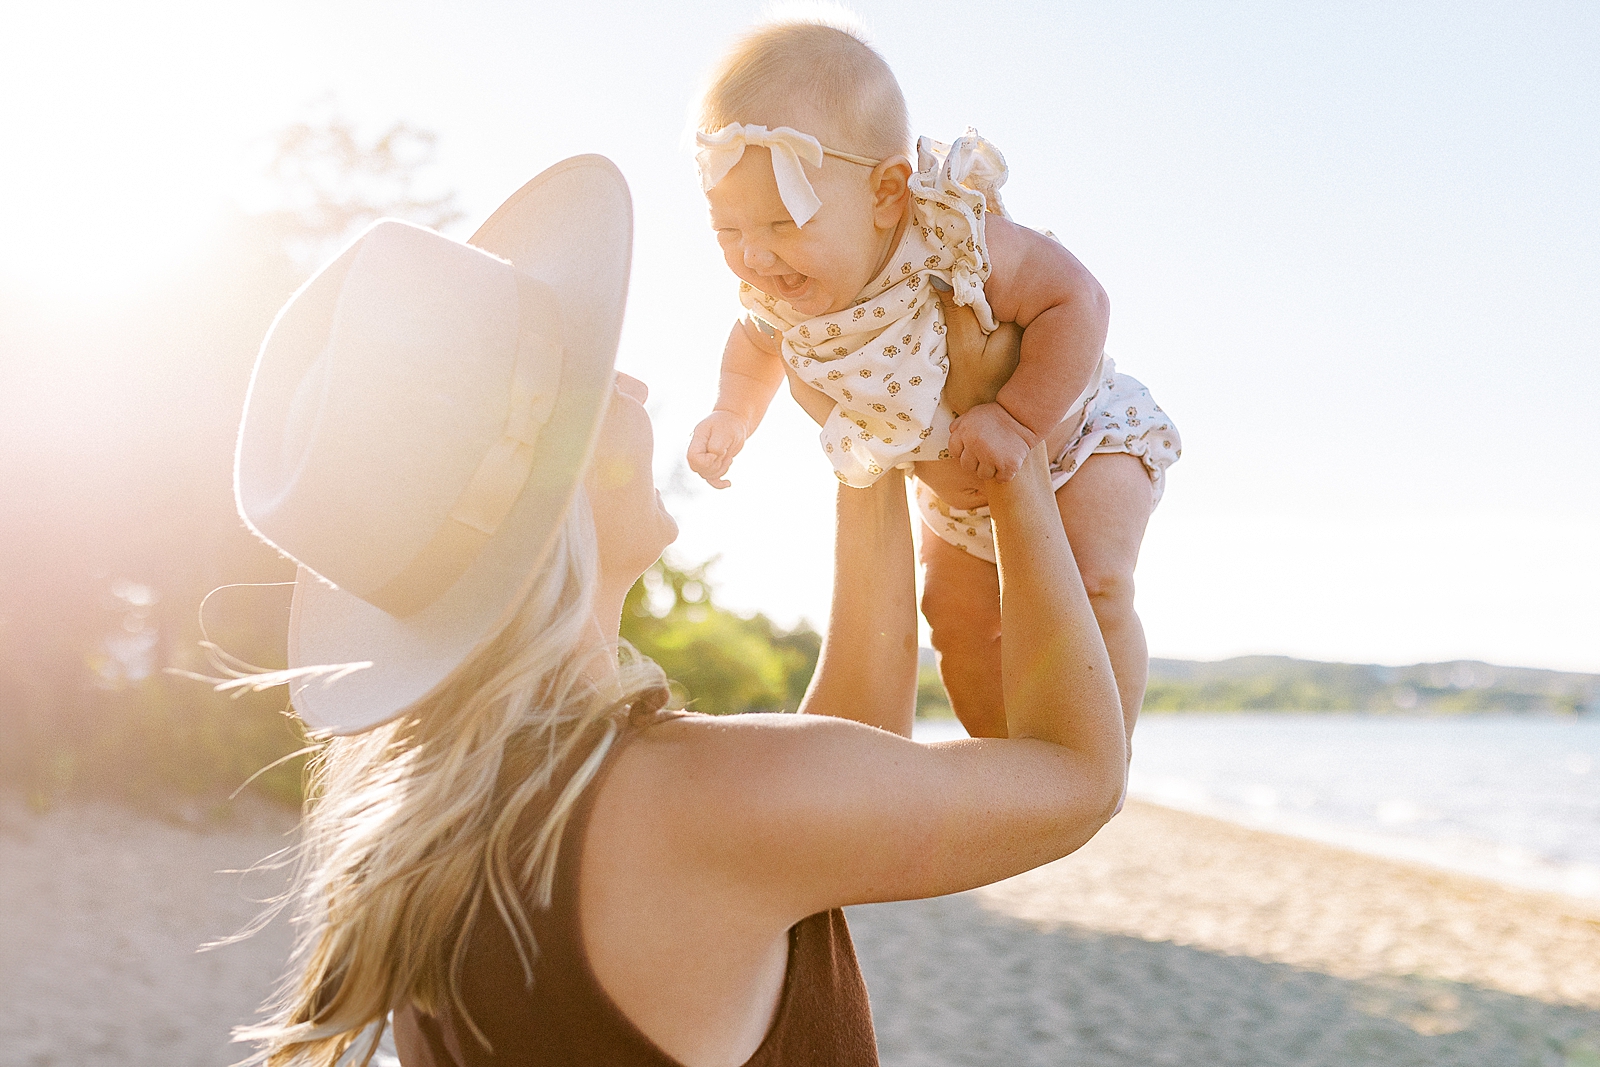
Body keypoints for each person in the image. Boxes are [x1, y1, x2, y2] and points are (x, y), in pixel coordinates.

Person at [231, 154, 1125, 1067]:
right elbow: (1079, 778)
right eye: (593, 378)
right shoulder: (692, 802)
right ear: (551, 494)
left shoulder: (452, 837)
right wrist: (1008, 449)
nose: (633, 388)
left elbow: (844, 742)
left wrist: (874, 421)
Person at [684, 18, 1181, 744]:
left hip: (1081, 441)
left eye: (781, 223)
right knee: (952, 617)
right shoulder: (781, 293)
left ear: (887, 192)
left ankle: (1103, 753)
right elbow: (752, 347)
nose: (754, 256)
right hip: (954, 491)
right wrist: (733, 414)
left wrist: (1016, 417)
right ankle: (1009, 762)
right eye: (727, 231)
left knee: (1094, 579)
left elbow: (1078, 301)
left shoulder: (949, 235)